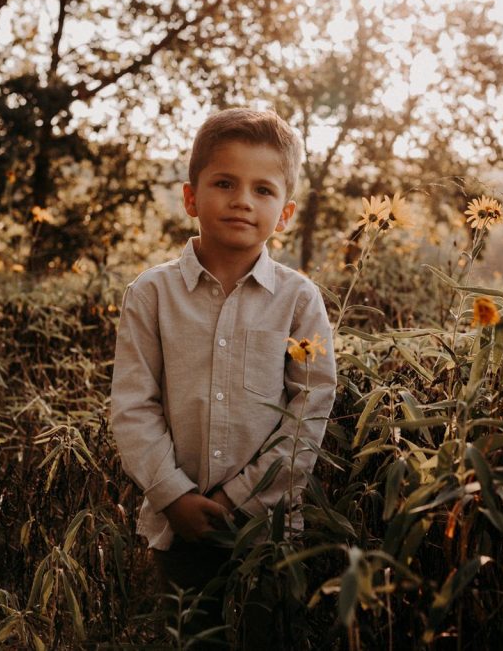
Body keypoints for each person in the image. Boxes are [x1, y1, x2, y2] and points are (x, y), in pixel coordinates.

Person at [110, 108, 337, 647]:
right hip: (177, 526)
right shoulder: (152, 295)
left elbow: (310, 407)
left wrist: (244, 499)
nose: (242, 200)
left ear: (284, 214)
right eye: (224, 183)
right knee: (193, 636)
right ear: (191, 198)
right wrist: (175, 495)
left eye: (263, 190)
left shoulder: (299, 300)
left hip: (267, 527)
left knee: (265, 633)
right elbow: (132, 406)